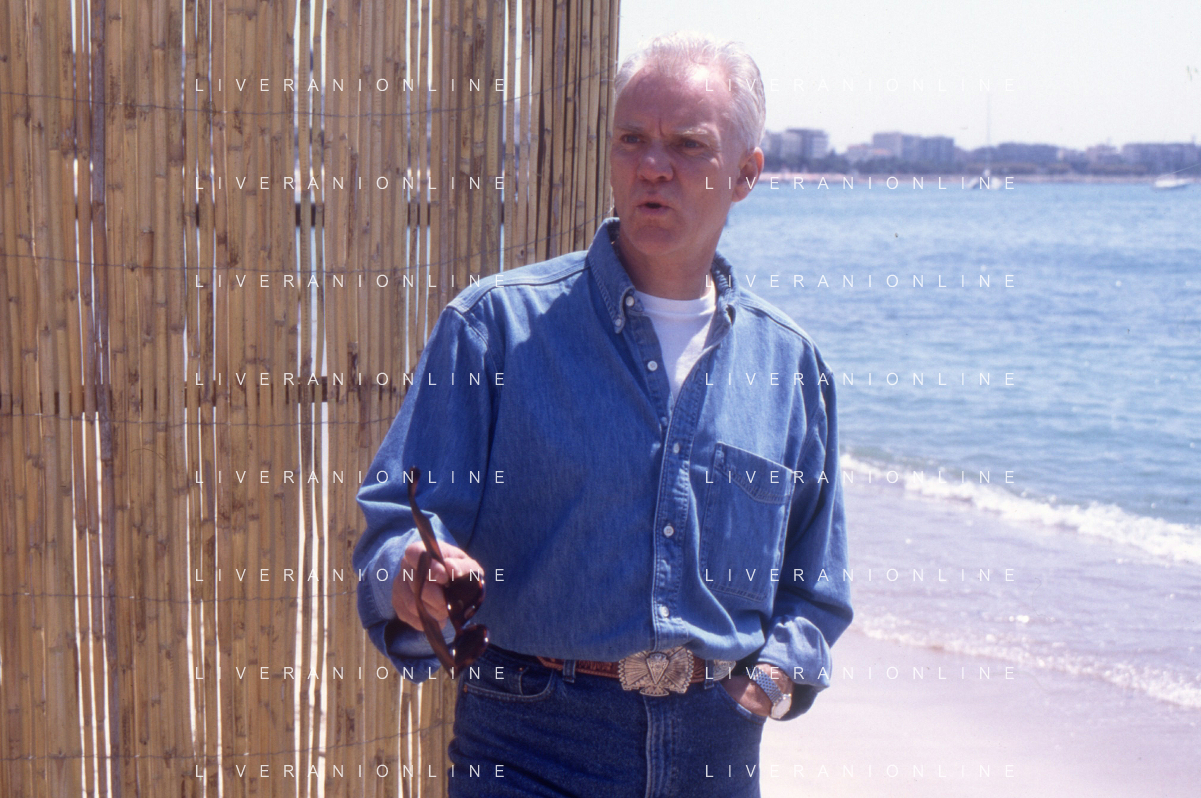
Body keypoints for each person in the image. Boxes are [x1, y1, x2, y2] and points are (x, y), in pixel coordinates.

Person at [354, 30, 853, 798]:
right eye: (631, 139)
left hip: (715, 753)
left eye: (687, 145)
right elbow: (397, 523)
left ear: (746, 174)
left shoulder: (791, 366)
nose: (653, 165)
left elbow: (813, 586)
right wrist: (415, 574)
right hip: (528, 741)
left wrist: (772, 682)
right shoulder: (493, 327)